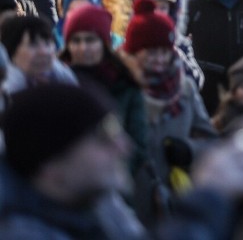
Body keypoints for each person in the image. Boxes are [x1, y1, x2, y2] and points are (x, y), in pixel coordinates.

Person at [0, 84, 144, 239]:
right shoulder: (21, 233)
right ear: (50, 166)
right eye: (104, 138)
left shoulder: (98, 200)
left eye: (117, 130)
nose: (125, 147)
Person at [123, 0, 218, 224]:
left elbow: (209, 139)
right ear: (135, 53)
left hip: (175, 199)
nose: (158, 59)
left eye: (163, 51)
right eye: (150, 52)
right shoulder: (122, 88)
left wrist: (189, 150)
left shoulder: (183, 88)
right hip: (130, 199)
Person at [59, 3, 147, 175]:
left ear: (104, 43)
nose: (83, 48)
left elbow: (138, 143)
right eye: (76, 41)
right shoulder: (57, 81)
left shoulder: (125, 83)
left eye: (90, 40)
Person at [1, 14, 77, 93]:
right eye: (33, 44)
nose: (44, 52)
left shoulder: (61, 74)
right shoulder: (7, 85)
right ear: (12, 52)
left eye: (47, 44)